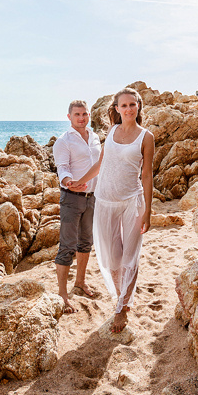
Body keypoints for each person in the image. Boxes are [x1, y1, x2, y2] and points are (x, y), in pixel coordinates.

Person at [70, 87, 155, 334]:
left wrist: (148, 211)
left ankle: (121, 308)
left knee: (130, 256)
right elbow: (101, 163)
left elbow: (147, 175)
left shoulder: (146, 137)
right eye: (124, 105)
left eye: (132, 104)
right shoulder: (113, 130)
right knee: (111, 257)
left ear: (138, 106)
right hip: (105, 201)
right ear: (117, 109)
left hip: (132, 202)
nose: (128, 109)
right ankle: (122, 297)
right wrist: (80, 181)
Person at [51, 99, 102, 314]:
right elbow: (62, 168)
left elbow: (101, 165)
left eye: (84, 114)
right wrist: (69, 181)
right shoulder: (63, 141)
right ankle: (62, 294)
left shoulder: (96, 138)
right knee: (67, 246)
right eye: (77, 114)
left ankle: (80, 282)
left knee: (86, 242)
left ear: (89, 115)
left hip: (93, 197)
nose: (81, 118)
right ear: (69, 117)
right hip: (71, 198)